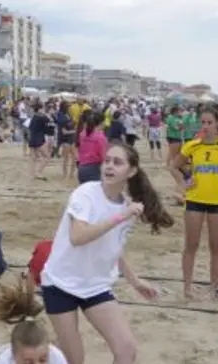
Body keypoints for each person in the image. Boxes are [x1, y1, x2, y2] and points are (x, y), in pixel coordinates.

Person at [41, 143, 174, 364]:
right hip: (60, 283)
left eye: (118, 162)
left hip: (95, 286)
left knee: (126, 349)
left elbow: (114, 248)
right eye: (107, 161)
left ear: (131, 172)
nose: (109, 166)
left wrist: (135, 281)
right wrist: (120, 217)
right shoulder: (86, 193)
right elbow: (78, 237)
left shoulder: (128, 207)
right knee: (75, 359)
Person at [169, 108, 218, 299]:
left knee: (216, 246)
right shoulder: (192, 146)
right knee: (191, 244)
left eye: (209, 122)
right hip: (195, 200)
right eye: (203, 122)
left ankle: (213, 287)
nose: (206, 126)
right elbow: (174, 166)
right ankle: (187, 287)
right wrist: (184, 183)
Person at [76, 111, 106, 184]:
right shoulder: (100, 137)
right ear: (101, 123)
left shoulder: (83, 134)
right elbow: (103, 156)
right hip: (94, 168)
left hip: (81, 167)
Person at [56, 101, 76, 180]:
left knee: (74, 157)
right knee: (66, 158)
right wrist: (74, 131)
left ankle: (71, 174)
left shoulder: (68, 115)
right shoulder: (61, 116)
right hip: (65, 139)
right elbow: (64, 131)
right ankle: (65, 174)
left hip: (71, 137)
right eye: (68, 106)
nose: (69, 108)